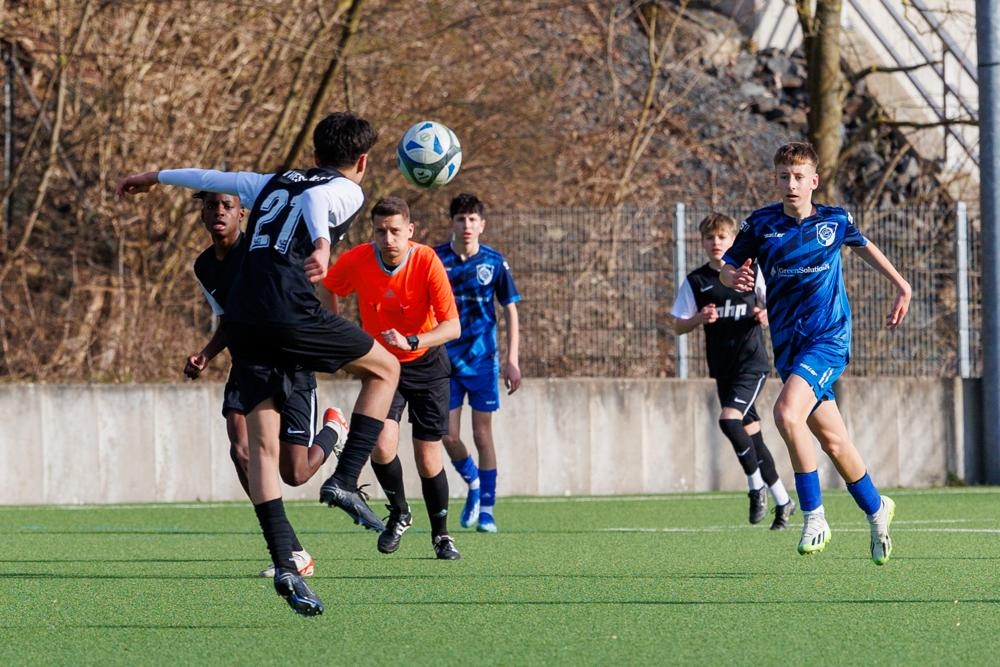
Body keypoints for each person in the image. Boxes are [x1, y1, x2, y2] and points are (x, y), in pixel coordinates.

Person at [116, 111, 401, 616]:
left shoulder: (272, 180)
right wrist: (321, 244)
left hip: (243, 318)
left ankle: (286, 562)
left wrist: (153, 177)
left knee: (263, 453)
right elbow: (317, 203)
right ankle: (343, 477)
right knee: (386, 369)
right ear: (360, 161)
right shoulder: (345, 189)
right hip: (288, 310)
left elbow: (210, 177)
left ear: (314, 154)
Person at [720, 141, 911, 564]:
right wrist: (732, 276)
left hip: (828, 338)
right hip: (789, 346)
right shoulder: (761, 225)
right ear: (776, 180)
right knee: (835, 443)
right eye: (784, 176)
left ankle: (814, 516)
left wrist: (902, 285)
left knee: (786, 413)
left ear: (814, 181)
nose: (791, 184)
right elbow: (729, 265)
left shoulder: (834, 220)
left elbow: (865, 247)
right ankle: (878, 509)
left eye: (799, 177)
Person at [181, 189, 351, 578]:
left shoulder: (261, 253)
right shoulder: (204, 266)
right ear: (202, 214)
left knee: (296, 473)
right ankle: (290, 549)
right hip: (248, 363)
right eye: (211, 206)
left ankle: (334, 430)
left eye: (227, 205)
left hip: (291, 362)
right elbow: (229, 318)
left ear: (242, 213)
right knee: (241, 450)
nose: (219, 211)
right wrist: (207, 354)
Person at [321, 196, 462, 560]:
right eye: (381, 231)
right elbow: (329, 287)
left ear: (409, 230)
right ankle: (400, 513)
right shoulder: (357, 260)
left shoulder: (426, 261)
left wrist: (413, 340)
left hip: (427, 363)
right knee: (381, 445)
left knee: (428, 456)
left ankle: (441, 535)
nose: (388, 239)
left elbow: (452, 326)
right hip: (384, 368)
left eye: (395, 231)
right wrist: (339, 334)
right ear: (373, 232)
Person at [671, 212, 796, 529]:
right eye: (709, 238)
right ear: (702, 242)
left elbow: (775, 302)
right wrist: (698, 319)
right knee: (753, 438)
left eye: (722, 237)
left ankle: (755, 487)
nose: (715, 243)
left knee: (729, 419)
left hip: (751, 365)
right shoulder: (697, 281)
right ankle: (783, 501)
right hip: (722, 368)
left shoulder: (749, 273)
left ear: (733, 240)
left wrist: (765, 313)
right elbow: (677, 325)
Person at [434, 193, 521, 533]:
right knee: (447, 434)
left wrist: (512, 360)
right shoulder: (436, 259)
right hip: (446, 360)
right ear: (452, 223)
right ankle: (472, 480)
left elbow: (510, 310)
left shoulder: (494, 262)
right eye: (461, 219)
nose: (467, 225)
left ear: (482, 225)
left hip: (483, 360)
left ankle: (487, 510)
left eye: (472, 219)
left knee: (482, 434)